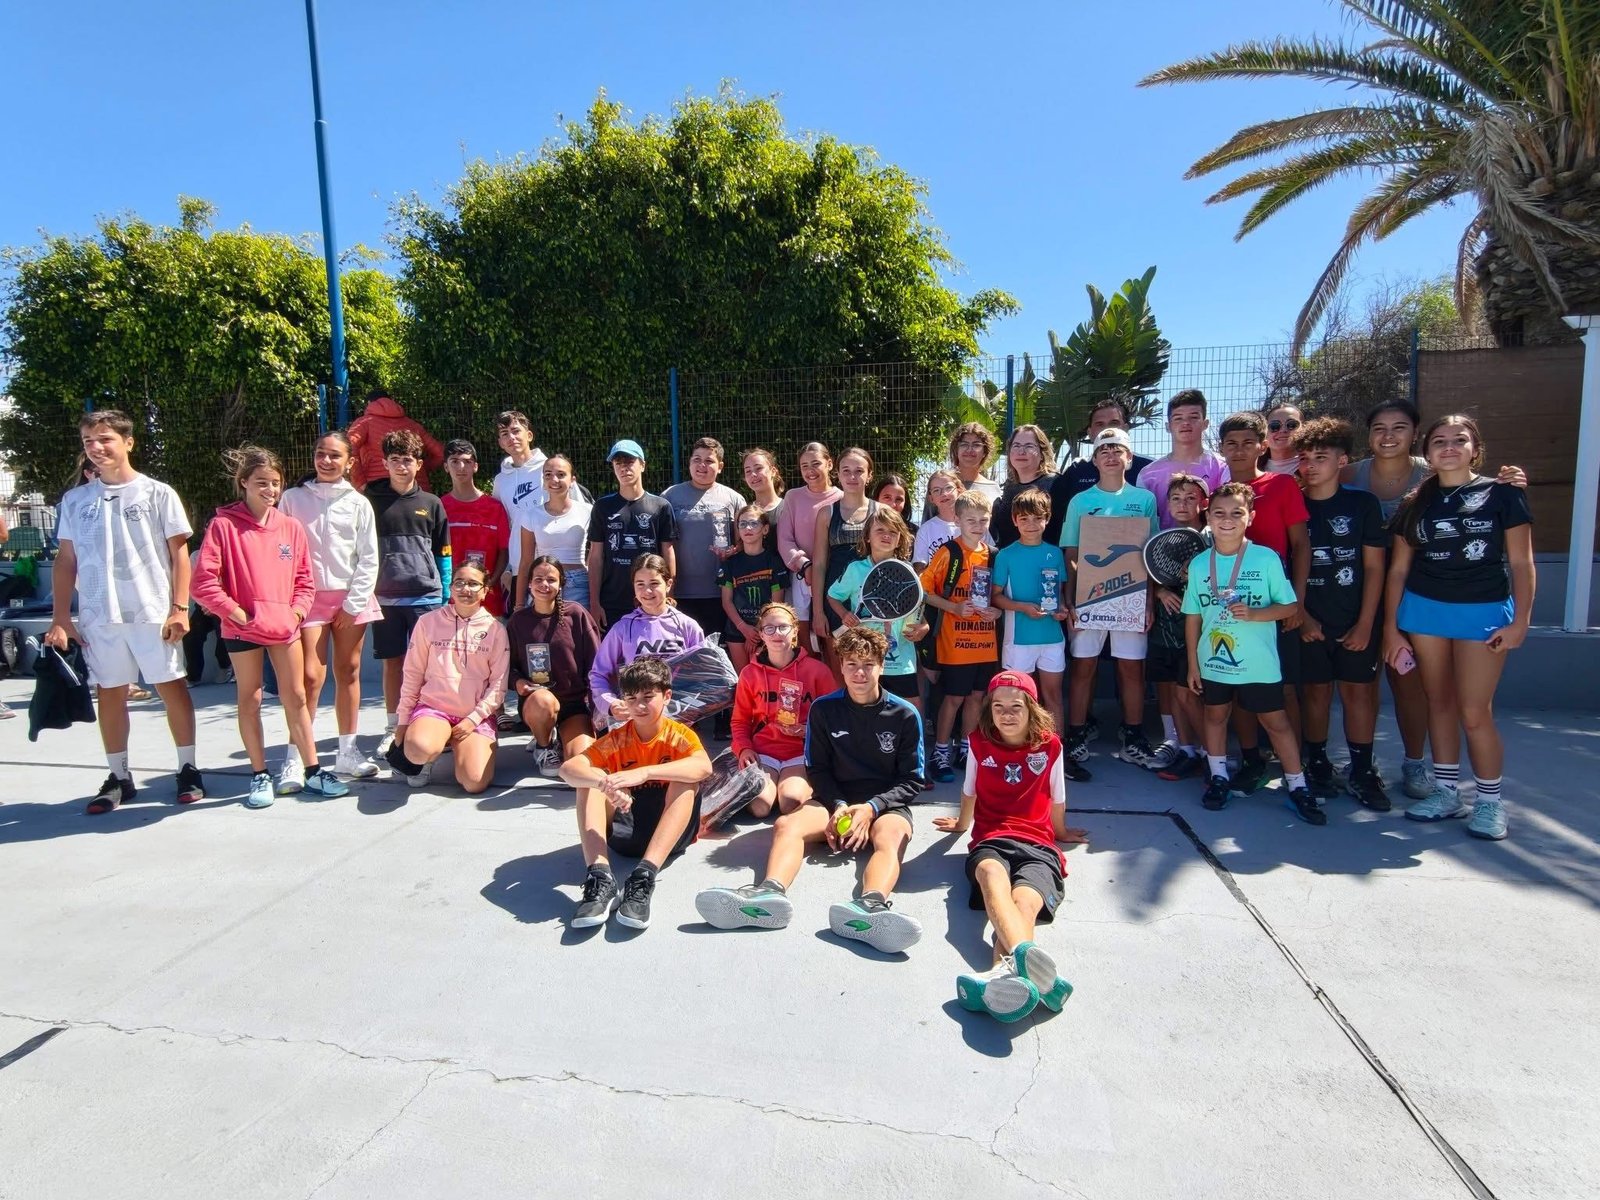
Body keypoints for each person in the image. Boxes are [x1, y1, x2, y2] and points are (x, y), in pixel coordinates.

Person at [692, 625, 925, 954]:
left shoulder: (904, 714)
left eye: (868, 664)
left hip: (883, 804)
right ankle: (768, 895)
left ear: (881, 666)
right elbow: (817, 768)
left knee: (891, 839)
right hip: (835, 799)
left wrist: (870, 808)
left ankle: (870, 907)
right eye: (852, 664)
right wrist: (841, 805)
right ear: (840, 666)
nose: (859, 673)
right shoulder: (825, 709)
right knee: (786, 824)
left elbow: (912, 779)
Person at [1345, 399, 1528, 799]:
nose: (1388, 435)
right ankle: (1412, 783)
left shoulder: (1480, 488)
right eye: (1379, 427)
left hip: (1456, 607)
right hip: (1390, 602)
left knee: (1451, 702)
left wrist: (1521, 622)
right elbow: (1310, 482)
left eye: (1399, 427)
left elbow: (1521, 559)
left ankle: (1458, 786)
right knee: (1400, 693)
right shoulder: (1370, 482)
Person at [1384, 415, 1534, 841]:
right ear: (1427, 452)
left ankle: (1489, 802)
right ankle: (1448, 792)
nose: (1449, 447)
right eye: (1440, 441)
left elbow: (1522, 563)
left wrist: (1521, 620)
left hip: (1482, 613)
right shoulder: (1415, 501)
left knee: (1474, 712)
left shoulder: (1504, 493)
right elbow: (1398, 571)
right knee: (1440, 704)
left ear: (1475, 448)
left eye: (1460, 440)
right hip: (1426, 612)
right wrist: (1393, 630)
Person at [46, 409, 204, 813]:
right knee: (110, 693)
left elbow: (179, 555)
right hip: (100, 617)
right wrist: (61, 618)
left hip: (153, 612)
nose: (96, 448)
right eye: (88, 442)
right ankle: (119, 777)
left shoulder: (157, 493)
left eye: (105, 439)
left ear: (128, 442)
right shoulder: (76, 500)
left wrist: (179, 608)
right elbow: (66, 561)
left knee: (172, 689)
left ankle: (187, 769)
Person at [193, 446, 347, 806]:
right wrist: (237, 614)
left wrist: (295, 613)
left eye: (275, 483)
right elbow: (203, 583)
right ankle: (259, 775)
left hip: (284, 629)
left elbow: (305, 581)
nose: (270, 490)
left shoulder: (290, 528)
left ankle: (312, 771)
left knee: (296, 696)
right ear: (243, 482)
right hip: (241, 631)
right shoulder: (222, 526)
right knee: (251, 698)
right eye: (261, 482)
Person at [934, 671, 1077, 1022]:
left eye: (1016, 706)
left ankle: (1002, 975)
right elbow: (970, 790)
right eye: (998, 707)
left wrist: (1061, 831)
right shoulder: (979, 743)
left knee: (1023, 904)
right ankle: (1035, 977)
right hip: (992, 838)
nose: (1007, 714)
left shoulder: (1050, 745)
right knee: (989, 874)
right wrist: (962, 825)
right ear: (989, 710)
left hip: (1038, 843)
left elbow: (1058, 796)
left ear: (1031, 709)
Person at [1182, 483, 1323, 824]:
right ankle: (1218, 777)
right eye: (1219, 513)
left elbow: (1290, 605)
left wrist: (1257, 614)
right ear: (1208, 516)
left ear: (1251, 517)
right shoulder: (1200, 564)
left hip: (1258, 663)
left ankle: (1297, 785)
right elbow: (1193, 616)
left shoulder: (1266, 557)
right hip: (1213, 660)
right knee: (1215, 717)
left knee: (1276, 723)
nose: (1227, 520)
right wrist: (1192, 664)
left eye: (1236, 513)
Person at [560, 656, 714, 930]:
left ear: (667, 696)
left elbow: (704, 766)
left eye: (648, 696)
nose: (639, 706)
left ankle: (643, 877)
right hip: (626, 831)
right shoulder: (618, 739)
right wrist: (605, 783)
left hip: (671, 836)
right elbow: (568, 769)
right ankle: (600, 877)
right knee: (589, 781)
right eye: (631, 698)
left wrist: (645, 772)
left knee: (686, 780)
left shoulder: (679, 736)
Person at [1292, 418, 1390, 809]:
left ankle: (1362, 771)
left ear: (1342, 459)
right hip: (1308, 620)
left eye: (1321, 457)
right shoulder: (1292, 503)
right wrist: (1302, 616)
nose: (1311, 465)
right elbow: (1285, 566)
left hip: (1356, 619)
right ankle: (1316, 764)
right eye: (1304, 458)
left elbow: (1375, 567)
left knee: (1358, 695)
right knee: (1315, 694)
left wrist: (1367, 623)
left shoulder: (1362, 504)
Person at [278, 430, 382, 779]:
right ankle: (297, 757)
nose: (326, 460)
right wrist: (291, 596)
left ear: (349, 462)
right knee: (309, 678)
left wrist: (352, 605)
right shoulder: (292, 499)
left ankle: (347, 753)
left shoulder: (359, 503)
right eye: (321, 453)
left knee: (349, 672)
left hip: (350, 600)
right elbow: (283, 549)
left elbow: (368, 558)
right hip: (306, 601)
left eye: (335, 455)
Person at [1218, 410, 1310, 788]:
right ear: (1220, 448)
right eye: (1231, 444)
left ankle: (1298, 765)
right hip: (1231, 611)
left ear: (1262, 445)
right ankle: (1252, 760)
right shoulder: (1217, 495)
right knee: (1239, 685)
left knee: (1284, 688)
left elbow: (1302, 545)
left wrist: (1298, 601)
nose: (1239, 451)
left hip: (1276, 606)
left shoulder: (1282, 486)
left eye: (1247, 443)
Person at [1060, 427, 1160, 769]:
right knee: (1083, 666)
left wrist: (1148, 601)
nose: (1111, 455)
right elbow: (1071, 551)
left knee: (1131, 668)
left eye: (1118, 450)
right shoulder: (1080, 501)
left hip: (1131, 597)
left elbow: (1150, 554)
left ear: (1129, 459)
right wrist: (1072, 598)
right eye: (1104, 450)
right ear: (1095, 458)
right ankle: (1075, 734)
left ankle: (1133, 734)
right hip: (1089, 597)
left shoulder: (1144, 500)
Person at [383, 561, 509, 796]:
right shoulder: (428, 623)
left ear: (485, 591)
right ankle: (426, 757)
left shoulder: (496, 630)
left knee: (474, 783)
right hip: (434, 710)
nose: (466, 589)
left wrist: (473, 719)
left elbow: (499, 684)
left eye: (473, 584)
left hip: (474, 717)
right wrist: (401, 724)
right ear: (450, 588)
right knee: (418, 749)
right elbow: (412, 674)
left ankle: (468, 748)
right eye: (459, 583)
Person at [366, 429, 452, 752]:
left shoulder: (432, 504)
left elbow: (444, 553)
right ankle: (392, 726)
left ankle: (426, 722)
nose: (402, 467)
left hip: (426, 598)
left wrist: (445, 597)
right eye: (395, 460)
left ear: (419, 465)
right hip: (384, 598)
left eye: (409, 460)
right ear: (385, 463)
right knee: (393, 663)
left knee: (430, 665)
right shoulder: (369, 499)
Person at [918, 492, 1001, 782]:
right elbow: (924, 591)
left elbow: (1000, 597)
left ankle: (966, 749)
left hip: (985, 642)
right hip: (954, 642)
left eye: (983, 519)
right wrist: (953, 606)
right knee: (953, 698)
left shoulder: (993, 554)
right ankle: (941, 752)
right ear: (957, 520)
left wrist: (997, 612)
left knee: (977, 697)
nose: (978, 525)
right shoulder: (948, 553)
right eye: (971, 520)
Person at [727, 601, 836, 818]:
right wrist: (744, 749)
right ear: (762, 634)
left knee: (791, 802)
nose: (777, 633)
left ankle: (799, 786)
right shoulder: (749, 674)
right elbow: (740, 721)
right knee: (760, 806)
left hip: (800, 752)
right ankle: (773, 788)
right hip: (763, 752)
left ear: (795, 631)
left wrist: (809, 731)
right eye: (769, 628)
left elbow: (835, 717)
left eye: (783, 627)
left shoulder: (817, 671)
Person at [505, 556, 602, 777]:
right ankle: (544, 745)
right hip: (537, 701)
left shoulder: (576, 615)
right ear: (529, 583)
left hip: (574, 704)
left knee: (582, 765)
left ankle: (563, 740)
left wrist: (598, 709)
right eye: (538, 579)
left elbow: (597, 665)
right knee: (544, 701)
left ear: (561, 584)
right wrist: (517, 682)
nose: (544, 585)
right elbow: (506, 668)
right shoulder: (518, 621)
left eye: (551, 579)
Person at [825, 508, 929, 710]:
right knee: (866, 706)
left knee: (910, 706)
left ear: (900, 540)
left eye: (893, 532)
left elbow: (917, 610)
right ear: (868, 537)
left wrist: (923, 628)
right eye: (880, 530)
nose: (886, 536)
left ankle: (915, 742)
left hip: (900, 659)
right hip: (865, 657)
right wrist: (844, 614)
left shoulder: (908, 572)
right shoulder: (855, 569)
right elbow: (832, 596)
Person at [992, 487, 1071, 748]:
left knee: (1053, 696)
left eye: (1037, 518)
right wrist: (1023, 607)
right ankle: (1018, 748)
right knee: (1017, 698)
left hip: (1051, 637)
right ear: (1014, 520)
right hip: (1018, 639)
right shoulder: (1005, 555)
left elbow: (1058, 596)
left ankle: (1055, 750)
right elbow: (997, 598)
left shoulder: (1055, 553)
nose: (1031, 524)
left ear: (1047, 519)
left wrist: (1061, 611)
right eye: (1024, 518)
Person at [588, 555, 705, 726]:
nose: (647, 591)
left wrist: (692, 706)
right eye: (640, 584)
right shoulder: (623, 628)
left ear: (669, 585)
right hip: (636, 721)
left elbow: (704, 674)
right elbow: (599, 674)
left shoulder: (687, 626)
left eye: (654, 584)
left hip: (680, 720)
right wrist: (611, 703)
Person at [1150, 475, 1210, 782]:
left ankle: (1214, 757)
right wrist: (1159, 592)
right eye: (1176, 498)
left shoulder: (1214, 538)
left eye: (1190, 497)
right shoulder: (1160, 538)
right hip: (1165, 630)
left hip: (1201, 634)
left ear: (1204, 503)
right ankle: (1187, 751)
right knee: (1175, 691)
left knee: (1191, 695)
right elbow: (1150, 574)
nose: (1183, 504)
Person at [587, 439, 678, 629]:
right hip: (611, 601)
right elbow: (595, 557)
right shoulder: (603, 506)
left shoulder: (661, 506)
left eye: (629, 462)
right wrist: (594, 603)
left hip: (651, 598)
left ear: (642, 465)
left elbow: (668, 552)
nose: (623, 468)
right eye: (618, 463)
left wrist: (668, 596)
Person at [664, 436, 746, 645]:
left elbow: (744, 542)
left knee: (716, 654)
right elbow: (662, 544)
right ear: (689, 463)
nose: (702, 465)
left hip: (721, 595)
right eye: (696, 459)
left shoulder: (733, 499)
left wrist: (733, 550)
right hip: (679, 593)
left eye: (709, 461)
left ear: (720, 466)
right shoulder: (669, 497)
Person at [810, 446, 878, 672]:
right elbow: (819, 565)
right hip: (835, 602)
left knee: (871, 663)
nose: (852, 476)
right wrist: (818, 612)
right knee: (840, 666)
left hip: (873, 602)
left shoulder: (881, 512)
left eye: (859, 471)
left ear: (869, 475)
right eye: (846, 470)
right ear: (837, 474)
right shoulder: (826, 514)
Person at [775, 441, 840, 656]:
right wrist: (805, 566)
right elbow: (785, 540)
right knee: (804, 644)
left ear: (829, 464)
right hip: (801, 579)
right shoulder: (793, 497)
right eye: (804, 466)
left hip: (834, 580)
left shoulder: (841, 498)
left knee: (832, 643)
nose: (810, 471)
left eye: (816, 464)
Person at [1137, 389, 1229, 529]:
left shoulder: (1222, 467)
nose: (1185, 423)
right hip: (1162, 548)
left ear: (1205, 424)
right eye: (1178, 418)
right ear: (1168, 426)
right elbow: (1142, 523)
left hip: (1211, 548)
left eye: (1193, 417)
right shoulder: (1147, 474)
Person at [440, 439, 510, 618]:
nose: (461, 467)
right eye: (454, 461)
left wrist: (488, 585)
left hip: (489, 603)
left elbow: (504, 552)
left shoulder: (495, 507)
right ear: (446, 467)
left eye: (467, 461)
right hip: (450, 603)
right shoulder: (439, 507)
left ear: (476, 466)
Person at [717, 505, 790, 673]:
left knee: (765, 678)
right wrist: (744, 628)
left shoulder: (774, 561)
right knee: (743, 679)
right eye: (742, 524)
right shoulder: (730, 563)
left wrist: (757, 631)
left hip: (767, 630)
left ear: (765, 529)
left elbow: (776, 603)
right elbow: (726, 601)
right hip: (737, 631)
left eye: (753, 523)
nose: (747, 528)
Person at [513, 454, 592, 608]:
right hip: (542, 584)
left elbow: (597, 555)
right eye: (548, 475)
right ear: (543, 480)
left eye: (561, 475)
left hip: (578, 585)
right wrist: (519, 604)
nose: (554, 480)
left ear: (572, 481)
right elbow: (526, 562)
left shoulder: (588, 511)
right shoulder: (531, 515)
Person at [1055, 399, 1153, 510]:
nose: (1107, 429)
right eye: (1100, 424)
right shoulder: (1075, 471)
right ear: (1090, 433)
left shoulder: (1149, 468)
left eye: (1114, 423)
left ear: (1126, 429)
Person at [491, 410, 549, 597]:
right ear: (500, 442)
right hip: (518, 567)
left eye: (516, 431)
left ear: (529, 435)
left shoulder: (551, 469)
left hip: (553, 563)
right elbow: (503, 527)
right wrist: (507, 568)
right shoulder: (500, 481)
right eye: (505, 434)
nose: (511, 437)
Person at [345, 391, 444, 492]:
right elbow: (440, 453)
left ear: (369, 404)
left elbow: (347, 448)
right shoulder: (412, 424)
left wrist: (359, 483)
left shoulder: (364, 422)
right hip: (417, 488)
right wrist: (418, 468)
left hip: (378, 489)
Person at [991, 424, 1060, 551]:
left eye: (1029, 446)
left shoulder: (1056, 484)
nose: (1021, 451)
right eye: (1016, 446)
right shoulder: (1009, 487)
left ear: (1042, 453)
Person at [913, 469, 963, 571]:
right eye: (936, 490)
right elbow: (919, 569)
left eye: (948, 488)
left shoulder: (973, 523)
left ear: (959, 490)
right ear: (931, 498)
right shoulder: (925, 530)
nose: (943, 494)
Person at [740, 447, 786, 555]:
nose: (753, 474)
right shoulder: (743, 513)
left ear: (773, 471)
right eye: (748, 471)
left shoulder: (788, 508)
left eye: (758, 468)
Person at [946, 421, 1002, 504]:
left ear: (984, 452)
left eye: (976, 445)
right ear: (956, 450)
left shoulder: (993, 488)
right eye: (964, 444)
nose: (969, 450)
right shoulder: (942, 484)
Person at [1262, 402, 1305, 474]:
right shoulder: (1250, 469)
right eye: (1274, 426)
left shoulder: (1314, 467)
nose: (1283, 430)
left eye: (1292, 425)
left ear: (1304, 429)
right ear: (1265, 432)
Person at [872, 473, 917, 538]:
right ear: (877, 499)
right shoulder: (867, 529)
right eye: (887, 497)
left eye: (899, 499)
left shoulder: (915, 533)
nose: (893, 505)